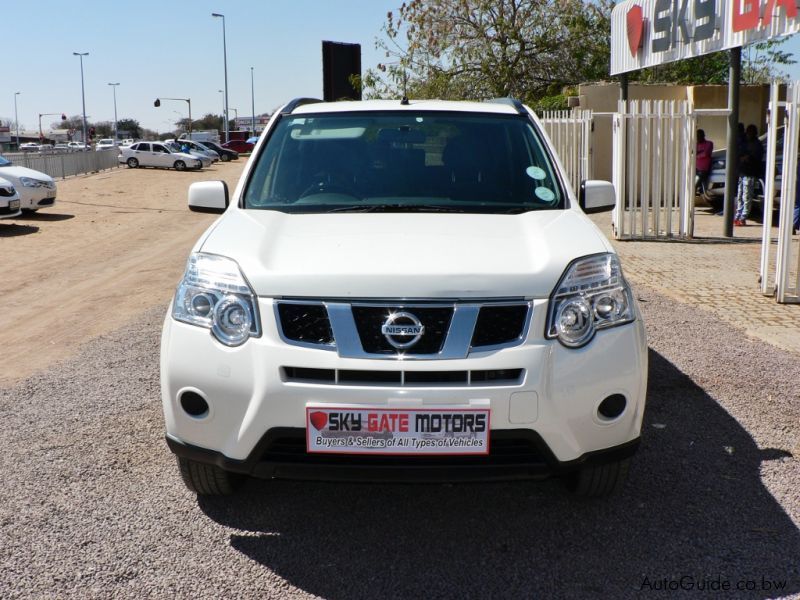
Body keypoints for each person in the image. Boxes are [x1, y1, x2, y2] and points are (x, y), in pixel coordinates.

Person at [734, 124, 763, 226]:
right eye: (747, 131)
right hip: (742, 172)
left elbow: (757, 157)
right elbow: (739, 153)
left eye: (750, 131)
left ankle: (743, 217)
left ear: (754, 133)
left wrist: (747, 158)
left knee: (747, 196)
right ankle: (737, 216)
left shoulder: (757, 144)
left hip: (750, 173)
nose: (748, 133)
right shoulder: (744, 143)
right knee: (740, 195)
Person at [696, 129, 713, 198]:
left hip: (704, 168)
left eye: (700, 136)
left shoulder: (709, 143)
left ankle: (698, 190)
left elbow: (706, 153)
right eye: (697, 136)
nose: (698, 137)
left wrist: (697, 154)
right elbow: (692, 153)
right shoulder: (696, 144)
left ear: (704, 135)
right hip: (695, 167)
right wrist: (699, 153)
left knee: (697, 184)